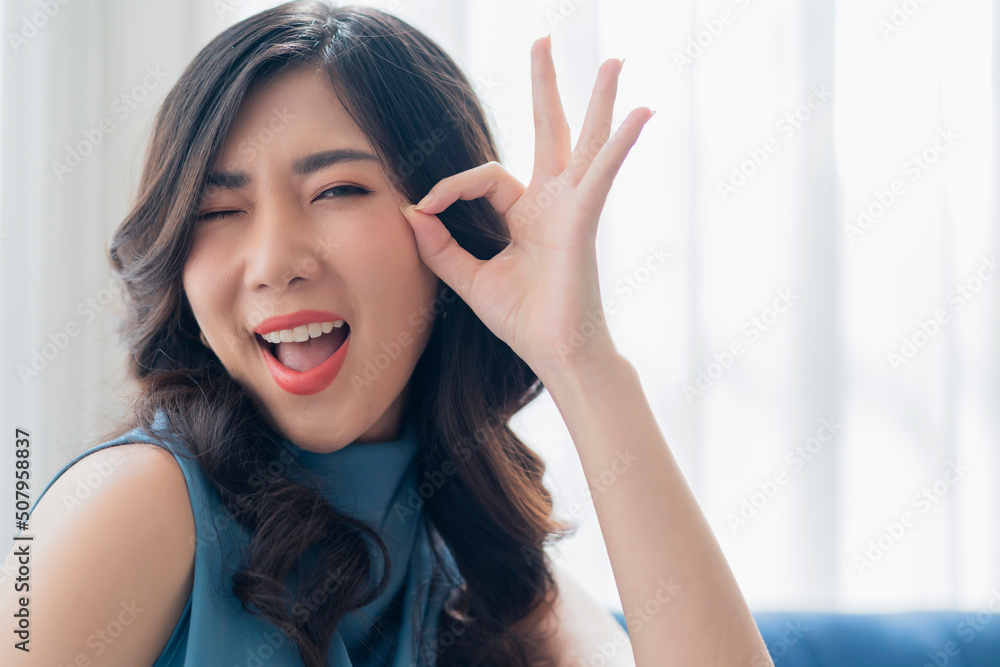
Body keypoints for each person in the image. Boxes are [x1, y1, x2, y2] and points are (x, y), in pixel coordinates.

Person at [1, 2, 773, 666]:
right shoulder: (136, 503)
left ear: (446, 226)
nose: (273, 263)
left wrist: (583, 358)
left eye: (337, 189)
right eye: (218, 210)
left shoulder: (472, 563)